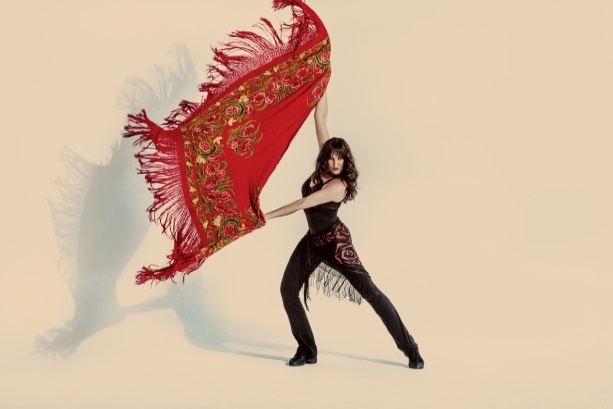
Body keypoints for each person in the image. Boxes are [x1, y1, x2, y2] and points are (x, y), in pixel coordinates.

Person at [264, 91, 425, 369]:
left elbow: (303, 203)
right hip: (313, 241)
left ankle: (411, 348)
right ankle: (307, 350)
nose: (336, 164)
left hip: (336, 245)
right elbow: (320, 117)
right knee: (287, 290)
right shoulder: (324, 162)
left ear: (346, 161)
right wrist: (322, 80)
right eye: (332, 158)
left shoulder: (338, 186)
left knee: (371, 293)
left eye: (341, 159)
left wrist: (265, 216)